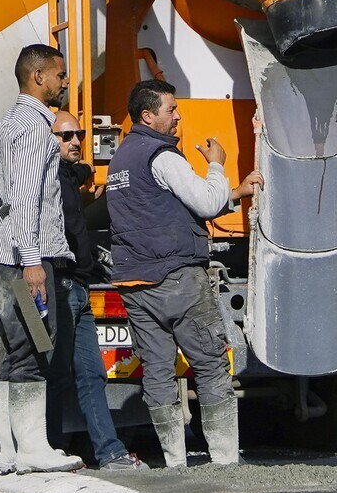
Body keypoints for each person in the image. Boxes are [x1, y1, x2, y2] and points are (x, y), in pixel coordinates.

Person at [107, 78, 255, 467]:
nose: (178, 116)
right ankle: (224, 460)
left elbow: (159, 207)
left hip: (135, 283)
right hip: (176, 278)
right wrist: (218, 164)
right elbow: (205, 203)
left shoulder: (122, 158)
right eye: (171, 109)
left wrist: (234, 194)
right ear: (148, 115)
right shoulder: (162, 156)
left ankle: (174, 462)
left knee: (157, 372)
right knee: (209, 363)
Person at [0, 44, 81, 473]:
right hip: (27, 261)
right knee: (35, 349)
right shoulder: (36, 129)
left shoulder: (6, 124)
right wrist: (32, 261)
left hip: (6, 255)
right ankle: (33, 449)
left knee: (21, 348)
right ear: (38, 77)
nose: (65, 82)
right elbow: (23, 198)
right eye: (59, 75)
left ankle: (11, 451)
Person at [48, 109, 143, 469]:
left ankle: (110, 452)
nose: (75, 141)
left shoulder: (70, 177)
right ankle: (51, 447)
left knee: (91, 373)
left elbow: (79, 171)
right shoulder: (45, 180)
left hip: (80, 288)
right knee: (54, 373)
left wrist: (87, 172)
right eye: (66, 136)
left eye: (80, 135)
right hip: (56, 286)